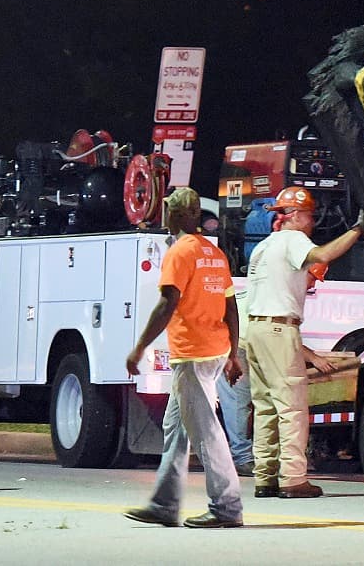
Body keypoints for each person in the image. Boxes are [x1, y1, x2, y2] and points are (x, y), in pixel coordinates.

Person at [123, 187, 244, 528]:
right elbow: (231, 306)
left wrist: (140, 346)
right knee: (175, 428)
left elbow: (167, 302)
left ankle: (227, 507)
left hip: (193, 355)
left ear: (175, 215)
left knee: (205, 431)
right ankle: (165, 503)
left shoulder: (179, 252)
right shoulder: (213, 253)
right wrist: (233, 353)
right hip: (215, 349)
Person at [245, 186, 364, 498]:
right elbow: (324, 255)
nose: (313, 222)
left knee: (266, 409)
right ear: (297, 216)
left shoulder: (264, 246)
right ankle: (293, 479)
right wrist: (357, 230)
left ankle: (265, 477)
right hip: (278, 330)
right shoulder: (293, 239)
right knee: (292, 408)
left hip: (256, 332)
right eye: (311, 216)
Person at [215, 291, 254, 477]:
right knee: (238, 401)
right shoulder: (276, 294)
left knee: (237, 402)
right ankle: (242, 458)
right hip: (236, 346)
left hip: (234, 345)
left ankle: (241, 456)